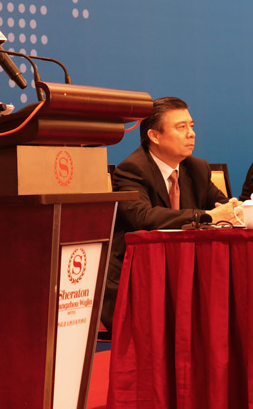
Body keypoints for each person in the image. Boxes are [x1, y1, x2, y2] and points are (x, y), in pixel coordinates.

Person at [101, 97, 238, 330]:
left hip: (187, 275)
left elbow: (222, 209)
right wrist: (204, 217)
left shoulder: (197, 168)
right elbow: (143, 217)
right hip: (138, 280)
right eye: (181, 127)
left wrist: (235, 210)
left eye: (192, 126)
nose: (191, 133)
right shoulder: (132, 170)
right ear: (154, 136)